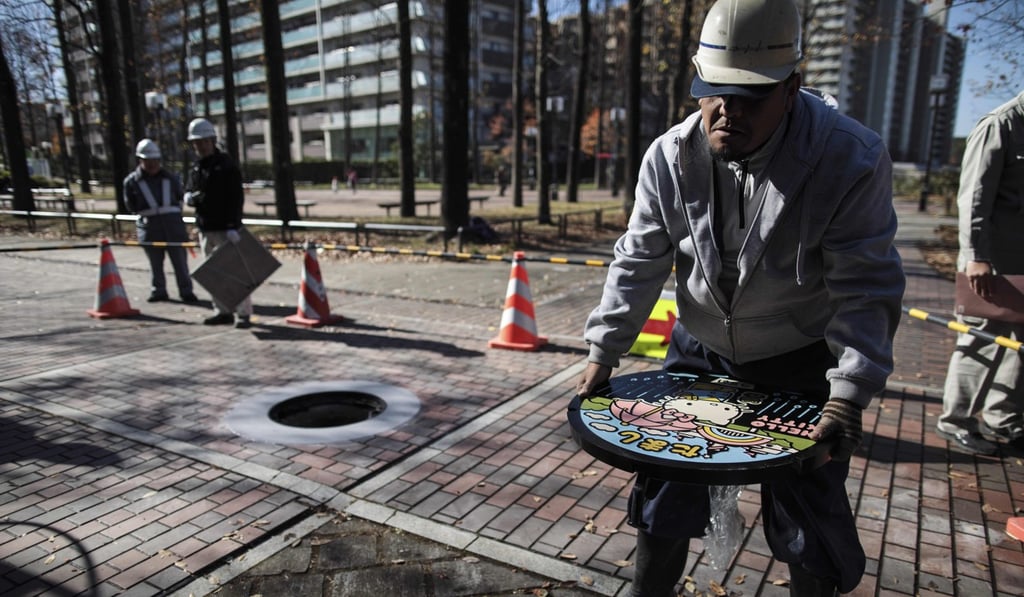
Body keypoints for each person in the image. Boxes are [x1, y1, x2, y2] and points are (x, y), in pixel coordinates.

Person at [574, 1, 905, 596]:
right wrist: (604, 348)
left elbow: (866, 284)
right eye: (713, 91)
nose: (728, 110)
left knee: (810, 518)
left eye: (751, 96)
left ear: (792, 88)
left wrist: (850, 392)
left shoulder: (847, 159)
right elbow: (640, 258)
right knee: (663, 497)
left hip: (801, 355)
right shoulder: (670, 156)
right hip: (700, 348)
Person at [936, 90, 1024, 455]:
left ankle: (1004, 418)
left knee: (1019, 346)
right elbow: (973, 196)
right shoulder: (1000, 124)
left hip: (1021, 261)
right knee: (979, 340)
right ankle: (955, 420)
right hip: (991, 262)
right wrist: (975, 255)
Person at [184, 117, 253, 329]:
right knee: (213, 274)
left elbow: (235, 197)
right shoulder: (196, 168)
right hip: (206, 227)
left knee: (234, 272)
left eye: (204, 141)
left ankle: (243, 313)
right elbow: (190, 189)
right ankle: (222, 311)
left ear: (212, 141)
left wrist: (233, 225)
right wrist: (189, 197)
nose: (201, 146)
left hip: (226, 228)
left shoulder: (225, 165)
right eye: (197, 143)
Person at [123, 139, 198, 304]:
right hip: (150, 228)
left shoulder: (171, 178)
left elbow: (180, 198)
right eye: (148, 161)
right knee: (155, 264)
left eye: (155, 161)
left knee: (180, 263)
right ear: (140, 160)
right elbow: (130, 205)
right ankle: (159, 290)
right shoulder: (132, 182)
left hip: (173, 228)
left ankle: (186, 291)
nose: (152, 165)